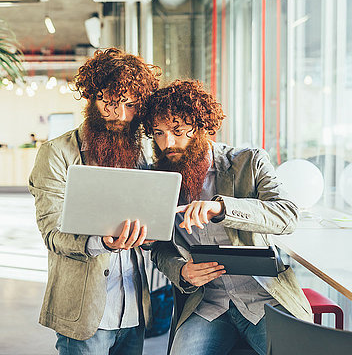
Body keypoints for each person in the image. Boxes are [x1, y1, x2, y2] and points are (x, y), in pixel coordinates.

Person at [142, 79, 312, 355]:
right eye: (159, 133)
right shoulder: (156, 178)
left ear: (201, 127)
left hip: (265, 299)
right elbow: (159, 248)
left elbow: (287, 215)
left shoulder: (249, 161)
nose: (168, 143)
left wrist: (221, 209)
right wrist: (181, 271)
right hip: (207, 305)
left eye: (178, 130)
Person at [29, 48, 162, 354]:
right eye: (109, 103)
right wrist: (103, 242)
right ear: (91, 98)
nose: (120, 115)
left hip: (134, 311)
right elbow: (52, 233)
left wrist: (152, 235)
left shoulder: (142, 154)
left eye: (130, 105)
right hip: (85, 313)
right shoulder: (56, 153)